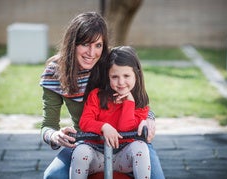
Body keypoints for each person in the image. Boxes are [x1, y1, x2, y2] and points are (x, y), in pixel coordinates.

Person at [40, 12, 165, 179]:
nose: (92, 53)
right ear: (72, 43)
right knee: (53, 176)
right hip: (87, 139)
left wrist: (150, 118)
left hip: (127, 139)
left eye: (98, 45)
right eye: (85, 44)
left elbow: (139, 100)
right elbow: (48, 125)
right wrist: (55, 136)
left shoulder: (110, 64)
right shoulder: (54, 73)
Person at [70, 46, 151, 179]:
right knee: (80, 151)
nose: (121, 82)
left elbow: (125, 129)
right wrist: (104, 127)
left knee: (141, 147)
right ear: (108, 77)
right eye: (114, 77)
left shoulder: (139, 102)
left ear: (136, 75)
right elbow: (84, 122)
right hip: (97, 155)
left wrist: (129, 103)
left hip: (123, 157)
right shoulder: (96, 95)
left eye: (126, 76)